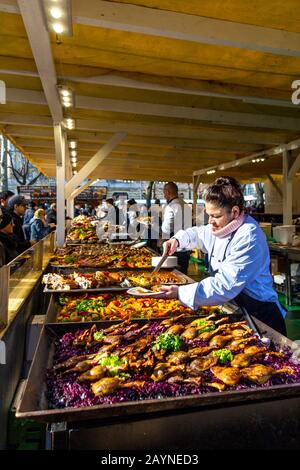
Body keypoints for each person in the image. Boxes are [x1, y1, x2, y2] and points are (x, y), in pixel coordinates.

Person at [159, 176, 286, 335]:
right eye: (208, 215)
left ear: (234, 212)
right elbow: (198, 233)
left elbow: (225, 285)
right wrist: (176, 240)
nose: (210, 221)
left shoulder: (249, 237)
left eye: (215, 216)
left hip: (261, 315)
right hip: (237, 308)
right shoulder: (220, 227)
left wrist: (180, 292)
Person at [161, 182, 192, 274]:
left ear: (168, 192)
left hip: (174, 248)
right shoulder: (185, 205)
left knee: (174, 275)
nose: (164, 196)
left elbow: (167, 228)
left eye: (164, 193)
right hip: (186, 246)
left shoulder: (171, 207)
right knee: (184, 274)